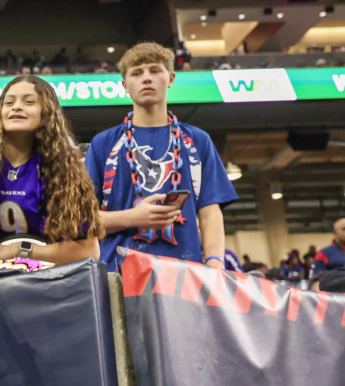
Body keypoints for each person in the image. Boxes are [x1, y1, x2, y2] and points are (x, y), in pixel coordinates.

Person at [0, 74, 101, 307]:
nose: (16, 108)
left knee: (50, 342)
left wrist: (17, 250)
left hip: (54, 288)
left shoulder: (67, 170)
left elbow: (89, 251)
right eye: (9, 102)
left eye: (28, 102)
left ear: (47, 113)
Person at [85, 42, 237, 272]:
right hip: (117, 274)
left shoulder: (197, 140)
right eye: (137, 73)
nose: (147, 78)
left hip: (184, 273)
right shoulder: (104, 143)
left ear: (171, 78)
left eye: (155, 70)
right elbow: (84, 220)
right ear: (125, 85)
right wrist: (133, 217)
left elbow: (209, 212)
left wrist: (215, 261)